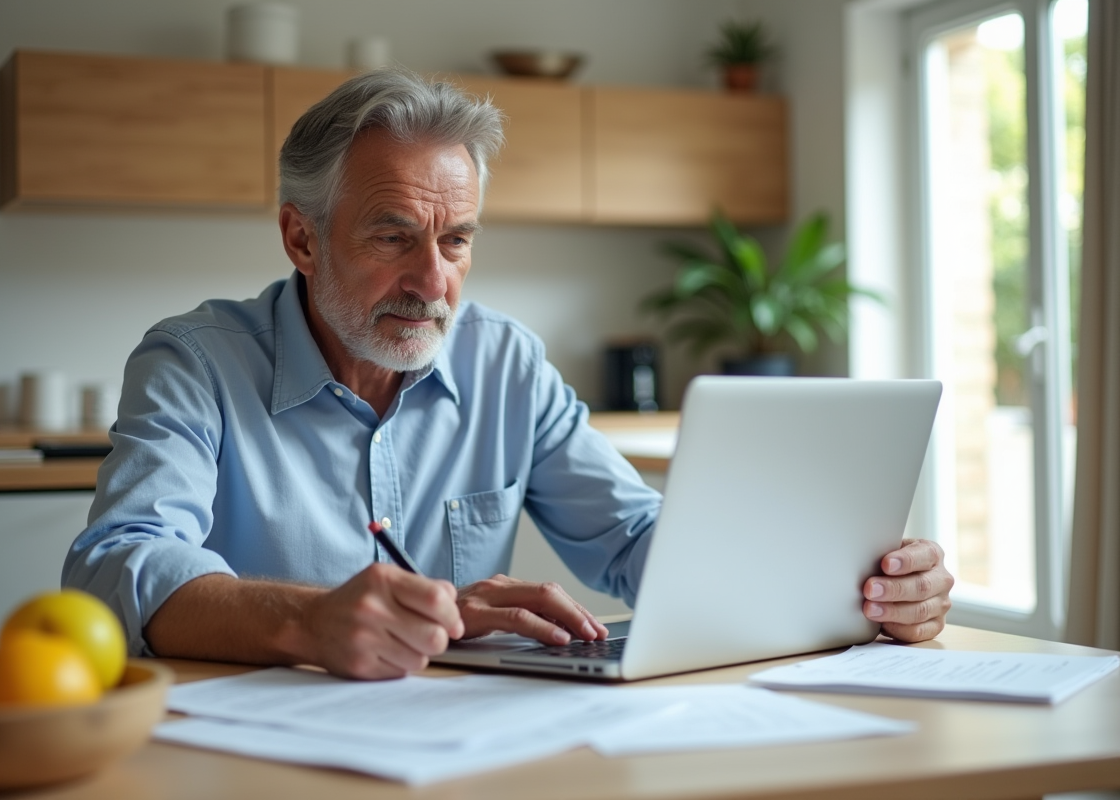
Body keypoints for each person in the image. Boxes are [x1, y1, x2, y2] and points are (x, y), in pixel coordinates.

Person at [64, 68, 954, 680]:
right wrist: (309, 618)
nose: (432, 281)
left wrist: (858, 590)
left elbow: (642, 541)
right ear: (302, 237)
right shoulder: (195, 363)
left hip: (469, 751)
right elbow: (118, 563)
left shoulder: (505, 361)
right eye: (392, 236)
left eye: (456, 241)